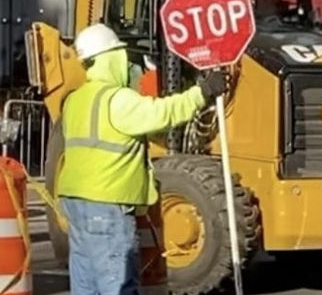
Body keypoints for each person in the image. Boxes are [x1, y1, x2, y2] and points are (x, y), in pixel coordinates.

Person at [57, 24, 228, 294]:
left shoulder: (75, 101)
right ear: (112, 58)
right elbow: (163, 113)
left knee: (86, 282)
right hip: (107, 205)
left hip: (74, 202)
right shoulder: (118, 100)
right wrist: (202, 93)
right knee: (118, 283)